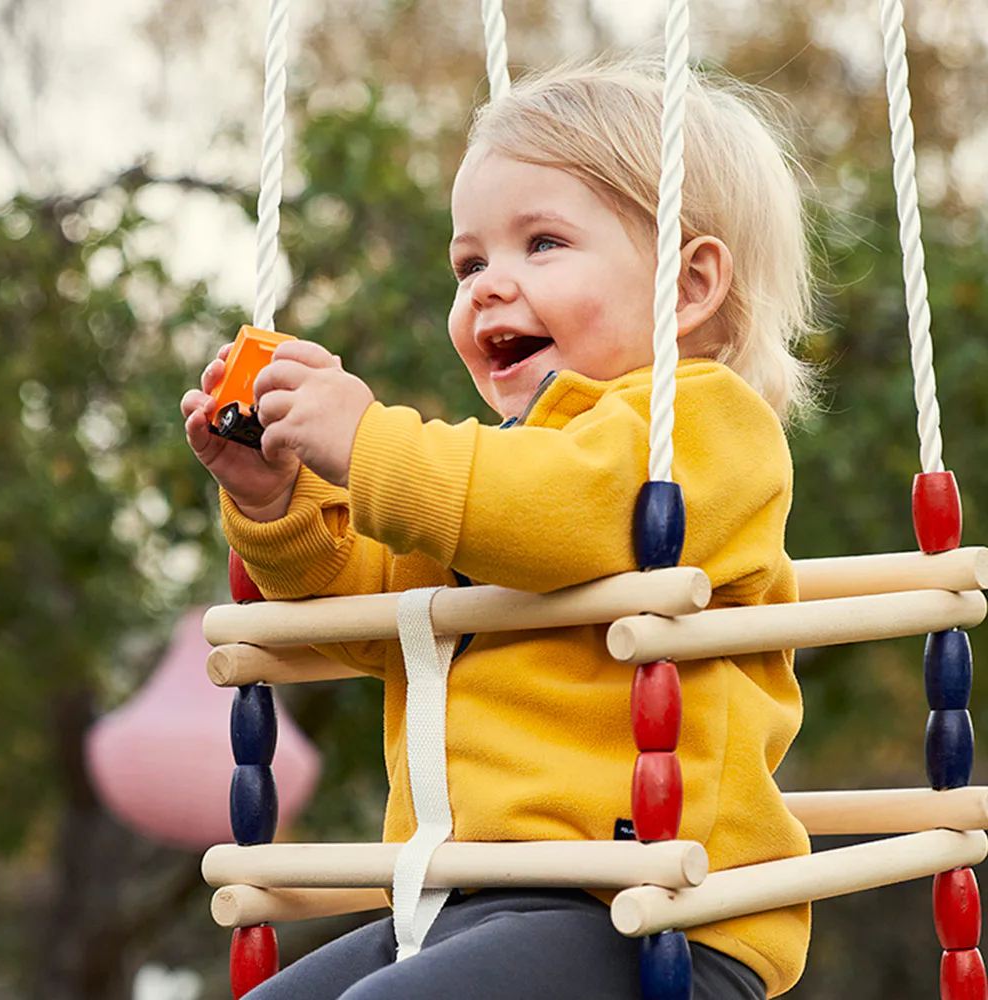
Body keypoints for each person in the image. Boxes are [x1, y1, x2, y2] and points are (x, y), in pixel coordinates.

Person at [182, 56, 818, 1000]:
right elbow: (372, 608)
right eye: (470, 261)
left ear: (687, 287)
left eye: (543, 244)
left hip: (655, 911)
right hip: (455, 901)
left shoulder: (705, 429)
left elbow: (560, 511)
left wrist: (365, 442)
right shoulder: (486, 480)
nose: (487, 285)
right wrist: (282, 505)